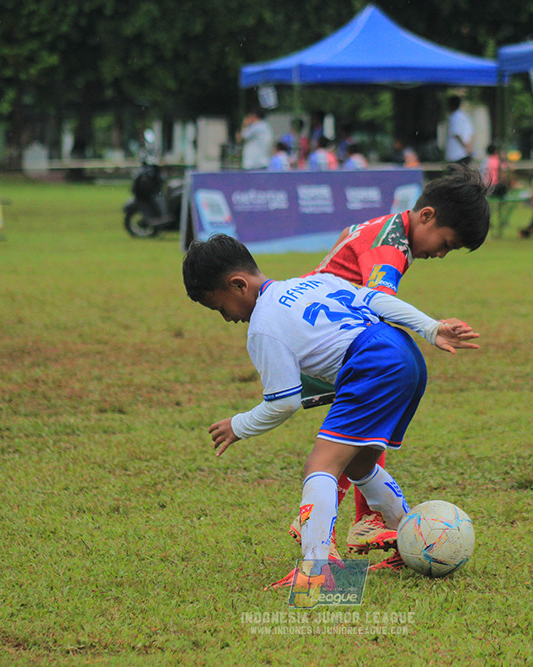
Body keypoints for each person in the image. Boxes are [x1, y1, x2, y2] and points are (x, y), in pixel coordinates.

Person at [183, 234, 480, 593]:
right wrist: (430, 328)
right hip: (403, 350)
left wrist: (239, 425)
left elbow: (285, 401)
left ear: (238, 285)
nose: (227, 318)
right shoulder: (313, 282)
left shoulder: (263, 327)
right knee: (359, 465)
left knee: (320, 466)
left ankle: (317, 571)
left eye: (220, 307)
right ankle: (408, 542)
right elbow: (377, 300)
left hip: (372, 363)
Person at [297, 163, 490, 566]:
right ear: (427, 216)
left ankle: (363, 519)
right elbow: (378, 297)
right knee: (356, 430)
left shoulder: (388, 230)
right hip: (327, 340)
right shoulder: (390, 247)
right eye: (446, 243)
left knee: (366, 427)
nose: (440, 253)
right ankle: (325, 532)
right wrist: (430, 328)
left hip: (322, 331)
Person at [444, 95, 473, 165]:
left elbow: (457, 134)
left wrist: (465, 147)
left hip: (456, 155)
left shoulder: (454, 117)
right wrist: (469, 148)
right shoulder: (465, 116)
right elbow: (472, 133)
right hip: (465, 154)